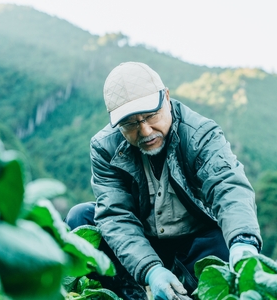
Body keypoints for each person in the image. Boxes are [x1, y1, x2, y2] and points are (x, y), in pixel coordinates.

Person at [65, 61, 262, 300]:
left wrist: (243, 242)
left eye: (151, 116)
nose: (145, 130)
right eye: (131, 123)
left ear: (166, 98)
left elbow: (228, 186)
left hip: (193, 241)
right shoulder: (105, 147)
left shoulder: (200, 134)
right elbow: (116, 215)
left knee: (224, 242)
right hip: (142, 240)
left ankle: (189, 287)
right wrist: (150, 270)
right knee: (81, 217)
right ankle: (133, 291)